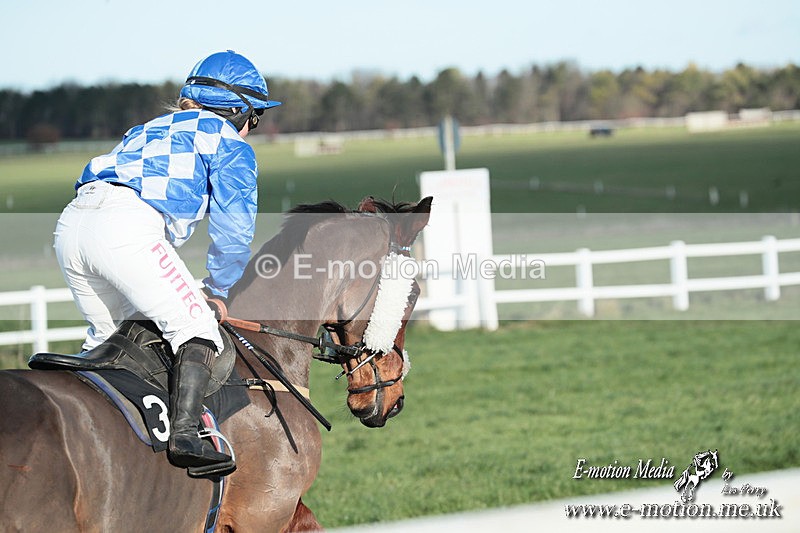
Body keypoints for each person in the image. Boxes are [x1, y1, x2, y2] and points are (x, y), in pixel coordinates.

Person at [53, 50, 280, 473]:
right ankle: (186, 438)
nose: (253, 128)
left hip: (72, 225)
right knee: (197, 328)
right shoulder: (228, 142)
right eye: (256, 117)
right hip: (125, 229)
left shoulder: (146, 128)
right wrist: (217, 289)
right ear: (237, 110)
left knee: (111, 341)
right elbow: (234, 232)